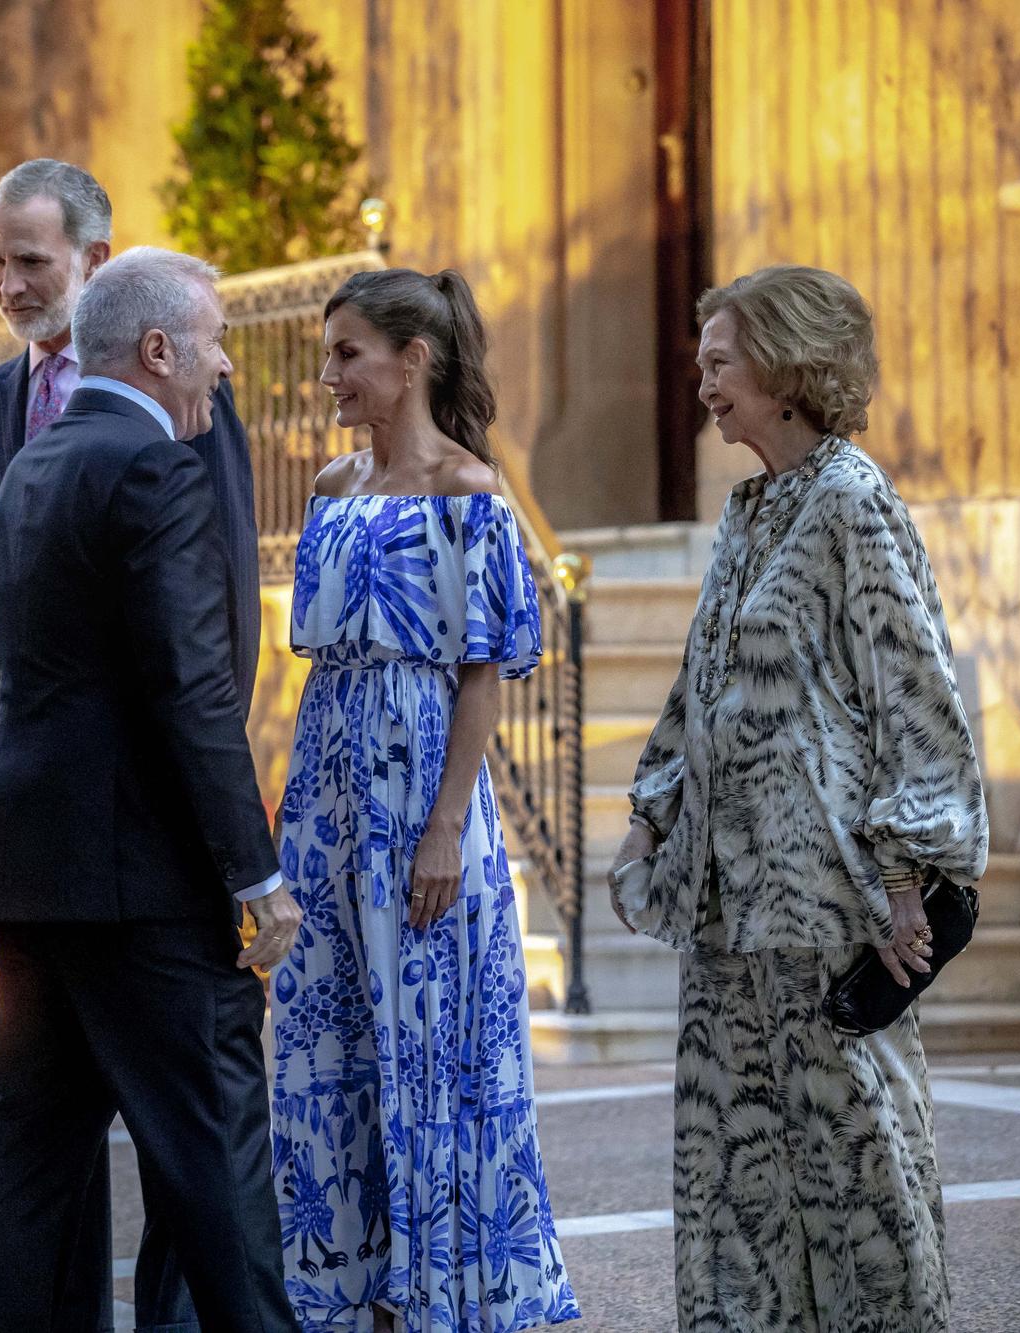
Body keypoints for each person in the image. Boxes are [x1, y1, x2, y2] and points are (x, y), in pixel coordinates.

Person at [609, 264, 988, 1331]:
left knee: (855, 1160)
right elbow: (700, 681)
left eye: (717, 361)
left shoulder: (850, 504)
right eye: (696, 363)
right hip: (728, 906)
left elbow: (914, 693)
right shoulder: (745, 511)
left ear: (781, 367)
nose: (701, 383)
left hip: (828, 902)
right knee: (733, 1167)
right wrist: (650, 815)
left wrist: (915, 875)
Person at [0, 153, 263, 1333]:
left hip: (96, 842)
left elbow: (215, 623)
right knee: (198, 1134)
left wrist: (201, 814)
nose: (9, 281)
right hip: (91, 849)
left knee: (45, 1128)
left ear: (92, 263)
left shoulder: (164, 411)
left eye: (30, 259)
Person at [272, 268, 580, 1332]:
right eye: (326, 353)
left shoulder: (469, 494)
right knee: (329, 1042)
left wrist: (445, 825)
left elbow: (482, 671)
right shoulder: (327, 488)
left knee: (430, 1042)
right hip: (327, 796)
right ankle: (346, 1286)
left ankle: (442, 1286)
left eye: (346, 353)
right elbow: (318, 656)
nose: (327, 377)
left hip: (420, 803)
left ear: (413, 359)